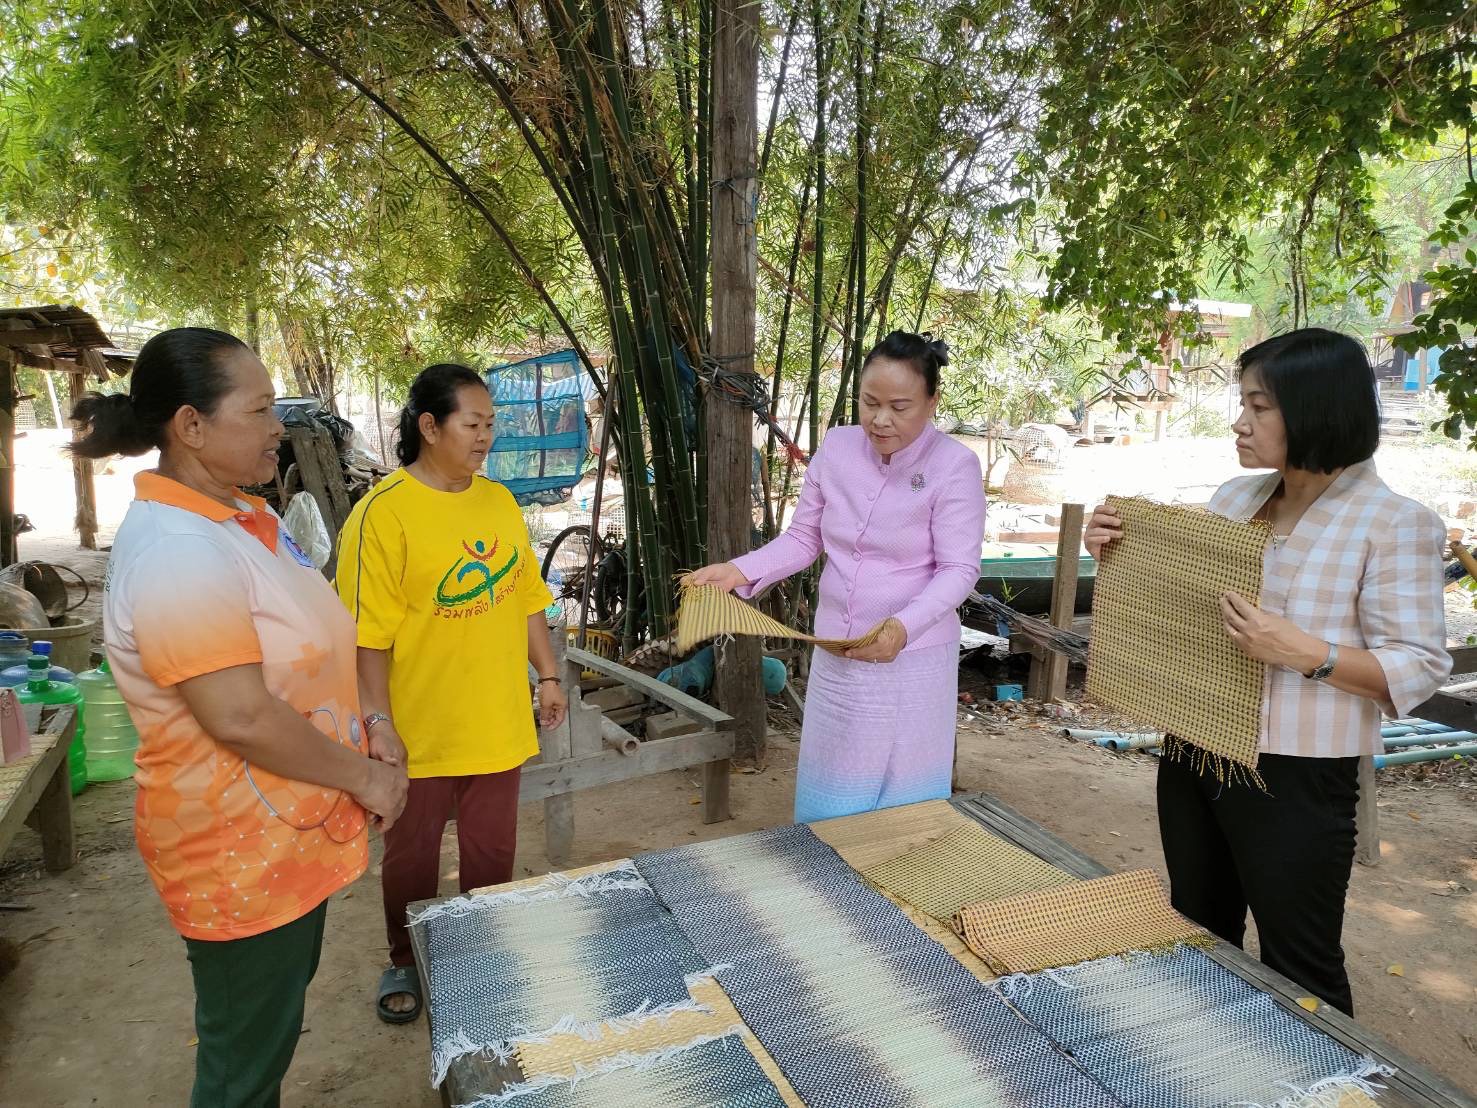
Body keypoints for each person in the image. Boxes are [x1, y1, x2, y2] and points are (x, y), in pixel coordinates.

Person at [76, 327, 408, 1107]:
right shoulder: (179, 552)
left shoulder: (239, 520)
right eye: (259, 410)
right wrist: (367, 776)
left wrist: (372, 721)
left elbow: (308, 650)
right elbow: (241, 716)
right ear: (190, 426)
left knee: (266, 1035)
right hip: (236, 855)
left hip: (282, 840)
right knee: (241, 1072)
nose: (277, 427)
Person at [1085, 327, 1450, 1016]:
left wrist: (1305, 652)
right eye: (1242, 403)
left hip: (1295, 774)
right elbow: (1180, 601)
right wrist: (1113, 548)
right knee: (1196, 928)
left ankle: (1319, 1088)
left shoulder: (1394, 523)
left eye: (1258, 406)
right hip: (1196, 746)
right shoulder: (1235, 498)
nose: (1238, 421)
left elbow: (1419, 664)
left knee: (1300, 961)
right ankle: (1212, 1068)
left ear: (1314, 409)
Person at [335, 363, 569, 1022]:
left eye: (491, 424)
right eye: (473, 423)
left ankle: (480, 953)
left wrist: (546, 675)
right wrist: (378, 721)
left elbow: (526, 597)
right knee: (410, 857)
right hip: (416, 728)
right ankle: (404, 960)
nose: (485, 436)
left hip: (495, 719)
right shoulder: (381, 515)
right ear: (429, 426)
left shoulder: (497, 502)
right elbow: (364, 637)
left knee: (491, 853)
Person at [690, 331, 986, 822]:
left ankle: (896, 889)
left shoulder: (955, 466)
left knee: (899, 797)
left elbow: (959, 570)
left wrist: (901, 627)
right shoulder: (839, 447)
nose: (880, 419)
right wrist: (738, 572)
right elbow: (804, 539)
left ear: (933, 401)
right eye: (869, 402)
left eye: (900, 406)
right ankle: (831, 882)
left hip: (910, 660)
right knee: (832, 787)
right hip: (836, 651)